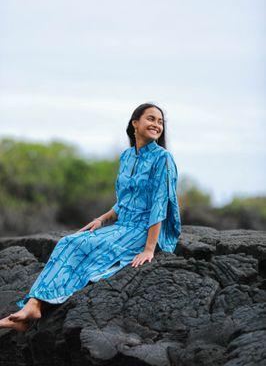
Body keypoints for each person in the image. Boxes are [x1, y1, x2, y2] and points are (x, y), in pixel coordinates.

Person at [0, 103, 181, 332]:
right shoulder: (126, 157)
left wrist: (149, 249)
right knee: (69, 242)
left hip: (144, 230)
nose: (156, 125)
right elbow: (126, 200)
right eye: (151, 119)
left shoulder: (163, 158)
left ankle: (33, 307)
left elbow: (159, 204)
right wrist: (103, 219)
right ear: (135, 123)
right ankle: (33, 305)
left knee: (90, 250)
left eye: (160, 122)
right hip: (123, 225)